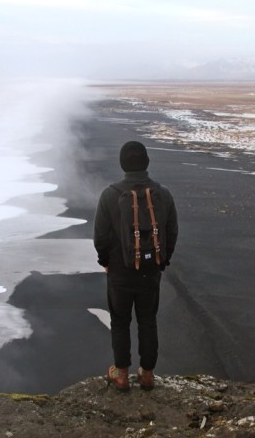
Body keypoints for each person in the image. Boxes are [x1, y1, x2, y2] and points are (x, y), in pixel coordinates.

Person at [93, 141, 178, 391]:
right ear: (147, 163)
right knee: (148, 321)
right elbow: (171, 231)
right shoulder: (163, 194)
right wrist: (163, 261)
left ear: (122, 164)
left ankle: (120, 374)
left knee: (120, 322)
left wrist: (105, 262)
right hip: (151, 272)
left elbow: (101, 236)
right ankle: (147, 374)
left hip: (120, 272)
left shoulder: (110, 194)